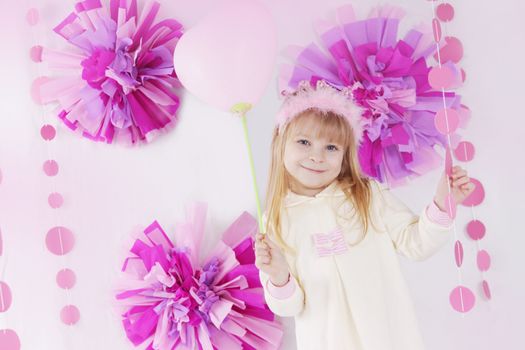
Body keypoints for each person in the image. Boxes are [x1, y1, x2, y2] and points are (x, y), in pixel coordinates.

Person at [255, 80, 475, 350]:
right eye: (304, 142)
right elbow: (288, 306)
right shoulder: (276, 219)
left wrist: (443, 203)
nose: (317, 156)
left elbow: (415, 243)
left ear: (345, 155)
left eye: (331, 148)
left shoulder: (366, 196)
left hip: (387, 338)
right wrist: (279, 275)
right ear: (281, 144)